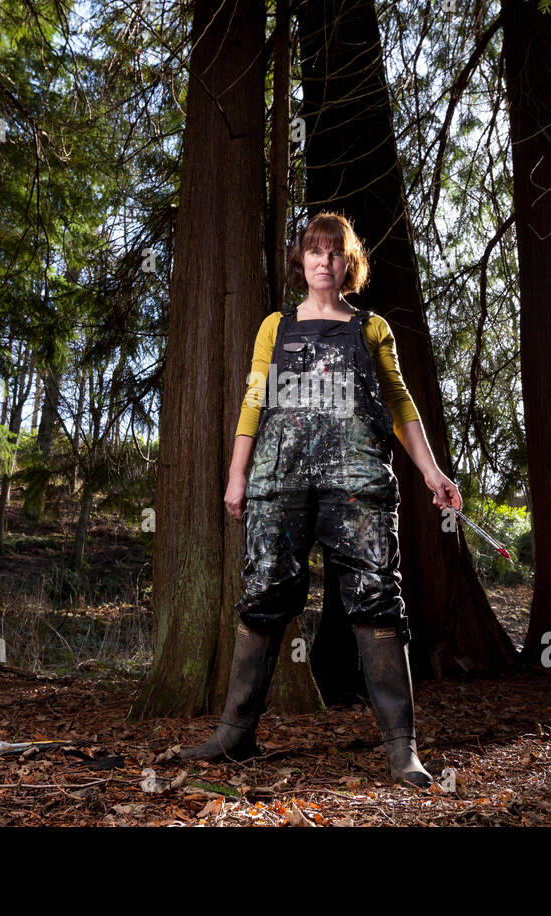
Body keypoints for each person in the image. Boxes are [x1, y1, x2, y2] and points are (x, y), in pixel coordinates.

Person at [178, 211, 462, 788]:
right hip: (279, 481)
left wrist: (432, 473)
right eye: (314, 251)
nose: (324, 261)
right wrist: (237, 477)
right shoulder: (274, 328)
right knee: (263, 595)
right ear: (301, 261)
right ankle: (235, 734)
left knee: (377, 598)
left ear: (347, 263)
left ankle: (402, 749)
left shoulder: (372, 328)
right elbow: (254, 401)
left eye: (335, 252)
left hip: (356, 482)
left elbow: (401, 405)